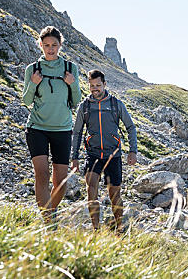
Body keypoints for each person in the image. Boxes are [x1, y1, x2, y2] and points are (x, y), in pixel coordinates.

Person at [22, 26, 81, 224]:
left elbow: (76, 101)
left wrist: (72, 83)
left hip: (62, 129)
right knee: (42, 173)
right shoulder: (33, 69)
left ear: (60, 45)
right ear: (40, 45)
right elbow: (26, 100)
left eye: (54, 45)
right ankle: (48, 222)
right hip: (37, 127)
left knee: (61, 182)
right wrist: (33, 83)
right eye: (46, 45)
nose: (50, 49)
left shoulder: (71, 69)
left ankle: (51, 212)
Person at [71, 69, 137, 231]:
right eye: (92, 86)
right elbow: (77, 132)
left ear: (105, 84)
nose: (95, 89)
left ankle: (120, 228)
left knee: (114, 194)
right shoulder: (84, 106)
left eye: (98, 85)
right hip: (92, 154)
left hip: (113, 155)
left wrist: (132, 151)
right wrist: (74, 157)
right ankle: (96, 229)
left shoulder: (116, 104)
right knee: (91, 187)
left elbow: (130, 127)